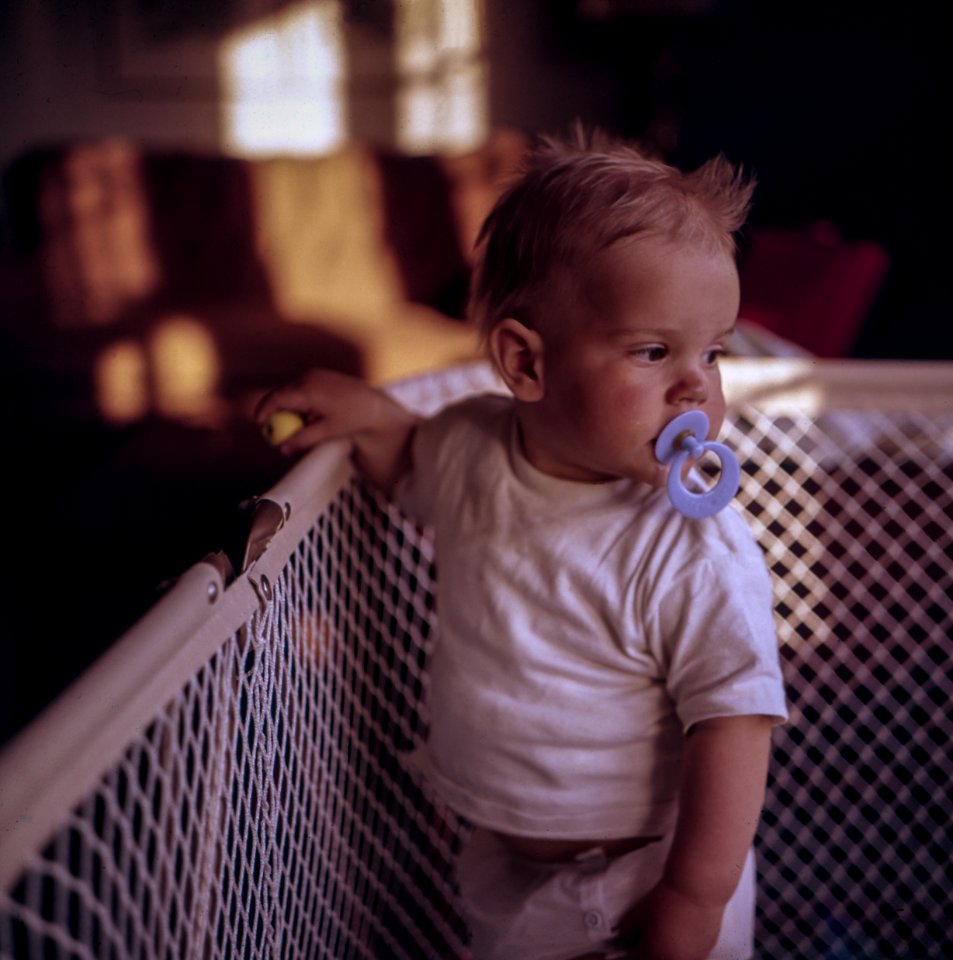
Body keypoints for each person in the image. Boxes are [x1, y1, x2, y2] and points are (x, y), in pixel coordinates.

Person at [255, 130, 788, 960]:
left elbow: (733, 722)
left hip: (651, 878)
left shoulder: (689, 546)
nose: (697, 388)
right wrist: (368, 413)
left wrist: (693, 898)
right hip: (503, 860)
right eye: (654, 351)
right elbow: (408, 466)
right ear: (524, 363)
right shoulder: (470, 446)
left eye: (711, 352)